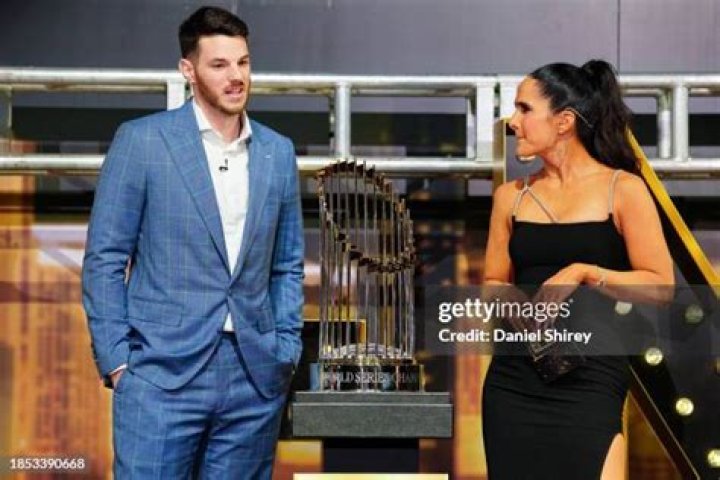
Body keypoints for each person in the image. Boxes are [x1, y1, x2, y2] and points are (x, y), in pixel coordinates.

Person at [82, 6, 304, 478]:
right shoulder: (143, 142)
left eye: (243, 62)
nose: (236, 76)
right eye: (219, 64)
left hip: (254, 376)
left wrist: (285, 349)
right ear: (188, 70)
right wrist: (119, 362)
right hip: (159, 374)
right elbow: (105, 258)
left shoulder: (277, 151)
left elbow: (287, 264)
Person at [482, 60, 674, 479]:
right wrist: (511, 299)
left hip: (590, 380)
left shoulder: (623, 189)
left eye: (524, 109)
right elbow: (492, 282)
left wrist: (586, 273)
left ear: (564, 121)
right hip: (514, 383)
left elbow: (661, 286)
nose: (513, 122)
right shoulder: (510, 197)